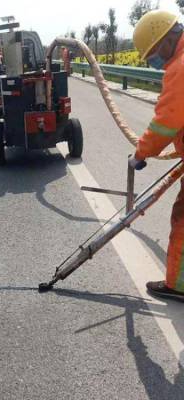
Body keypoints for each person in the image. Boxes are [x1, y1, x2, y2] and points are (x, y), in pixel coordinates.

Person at [131, 10, 184, 301]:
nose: (155, 63)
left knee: (183, 221)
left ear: (165, 40)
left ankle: (178, 285)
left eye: (152, 55)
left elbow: (166, 123)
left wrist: (140, 154)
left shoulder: (179, 67)